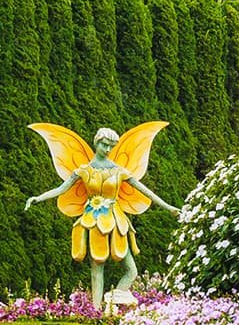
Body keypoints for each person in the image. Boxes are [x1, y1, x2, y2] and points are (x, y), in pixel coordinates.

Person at [24, 122, 179, 310]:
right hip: (92, 221)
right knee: (97, 269)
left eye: (110, 146)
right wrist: (37, 198)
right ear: (96, 142)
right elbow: (61, 189)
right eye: (104, 144)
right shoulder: (83, 170)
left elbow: (146, 190)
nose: (107, 149)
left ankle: (113, 300)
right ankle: (97, 313)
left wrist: (168, 206)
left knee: (132, 270)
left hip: (116, 221)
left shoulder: (119, 171)